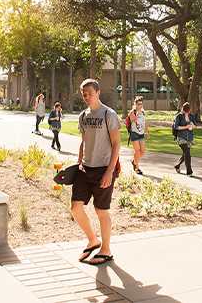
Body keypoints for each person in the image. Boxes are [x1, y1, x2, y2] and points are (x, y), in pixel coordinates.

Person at [71, 79, 120, 266]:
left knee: (101, 210)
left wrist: (109, 171)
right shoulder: (83, 116)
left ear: (98, 92)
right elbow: (84, 143)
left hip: (103, 169)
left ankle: (106, 249)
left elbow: (117, 144)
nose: (87, 96)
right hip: (85, 168)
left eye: (90, 92)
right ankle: (93, 240)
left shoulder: (109, 114)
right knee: (76, 208)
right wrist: (77, 166)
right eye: (84, 93)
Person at [173, 102, 196, 177]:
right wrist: (186, 127)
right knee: (187, 154)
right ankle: (189, 171)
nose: (188, 112)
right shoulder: (179, 116)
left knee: (185, 154)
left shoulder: (191, 116)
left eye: (189, 110)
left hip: (189, 137)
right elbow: (176, 127)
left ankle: (177, 165)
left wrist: (192, 125)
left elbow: (195, 126)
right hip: (181, 137)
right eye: (187, 110)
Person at [127, 96, 149, 175]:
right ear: (135, 104)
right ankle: (137, 168)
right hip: (134, 133)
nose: (140, 106)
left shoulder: (143, 112)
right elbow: (135, 120)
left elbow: (144, 122)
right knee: (137, 150)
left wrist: (147, 131)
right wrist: (137, 113)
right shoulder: (132, 112)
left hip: (141, 133)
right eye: (138, 104)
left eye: (141, 104)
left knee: (142, 151)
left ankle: (134, 161)